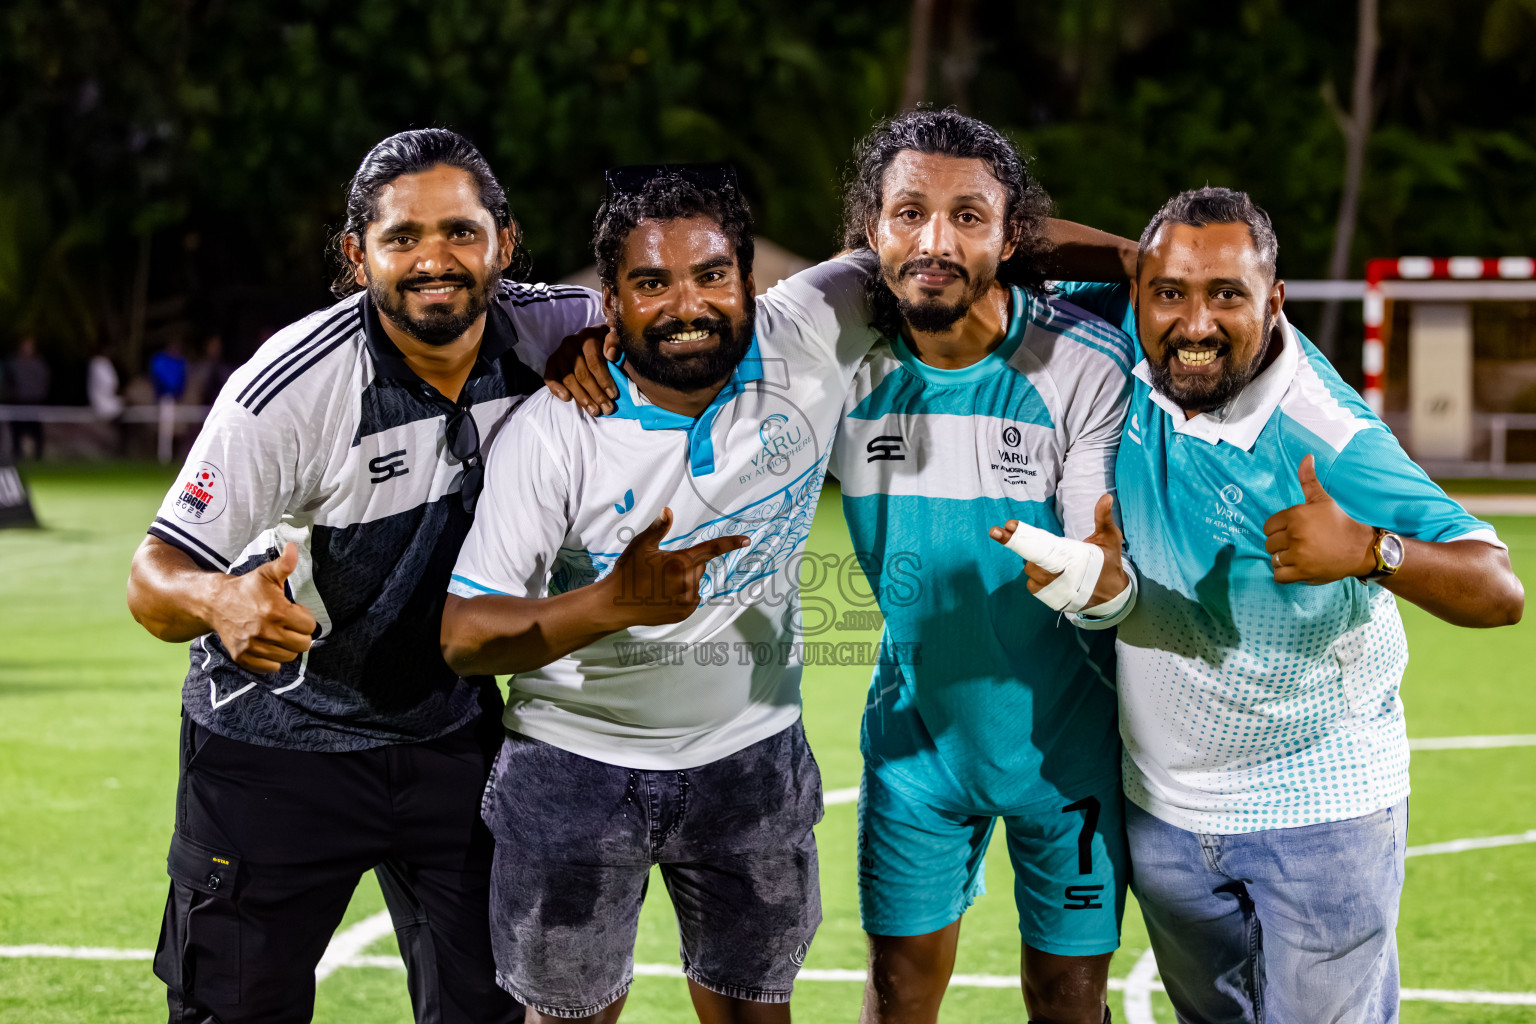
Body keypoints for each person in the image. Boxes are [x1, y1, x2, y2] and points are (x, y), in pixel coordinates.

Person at [125, 128, 609, 1024]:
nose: (435, 259)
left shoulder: (563, 326)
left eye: (461, 231)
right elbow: (151, 578)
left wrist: (605, 344)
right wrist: (218, 599)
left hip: (448, 733)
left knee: (491, 1008)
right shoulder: (289, 389)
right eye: (402, 237)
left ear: (505, 241)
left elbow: (690, 320)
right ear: (357, 256)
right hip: (276, 742)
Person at [1058, 187, 1525, 1023]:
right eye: (1171, 292)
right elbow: (1009, 243)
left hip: (1322, 815)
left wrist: (1372, 551)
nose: (1195, 324)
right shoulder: (1132, 331)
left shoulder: (1327, 433)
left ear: (1274, 301)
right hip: (1163, 810)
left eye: (1226, 295)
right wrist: (1133, 258)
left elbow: (1499, 588)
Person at [440, 164, 878, 1023]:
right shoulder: (556, 431)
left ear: (749, 280)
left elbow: (956, 237)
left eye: (711, 275)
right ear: (609, 302)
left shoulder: (810, 330)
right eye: (651, 283)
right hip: (575, 763)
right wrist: (610, 604)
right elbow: (465, 635)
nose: (687, 305)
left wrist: (1138, 260)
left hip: (751, 757)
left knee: (756, 1014)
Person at [827, 109, 1135, 1024]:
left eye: (968, 216)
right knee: (897, 995)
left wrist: (1094, 581)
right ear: (872, 230)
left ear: (1013, 238)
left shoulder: (1083, 361)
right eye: (909, 213)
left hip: (1068, 749)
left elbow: (1097, 565)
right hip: (916, 747)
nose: (935, 241)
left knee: (1069, 1000)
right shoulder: (835, 362)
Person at [5, 336, 50, 459]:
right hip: (18, 402)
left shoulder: (38, 364)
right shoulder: (13, 363)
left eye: (30, 346)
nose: (27, 349)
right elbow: (9, 383)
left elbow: (44, 381)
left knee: (36, 430)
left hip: (35, 401)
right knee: (16, 430)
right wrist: (12, 396)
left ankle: (38, 455)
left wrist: (40, 395)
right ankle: (17, 453)